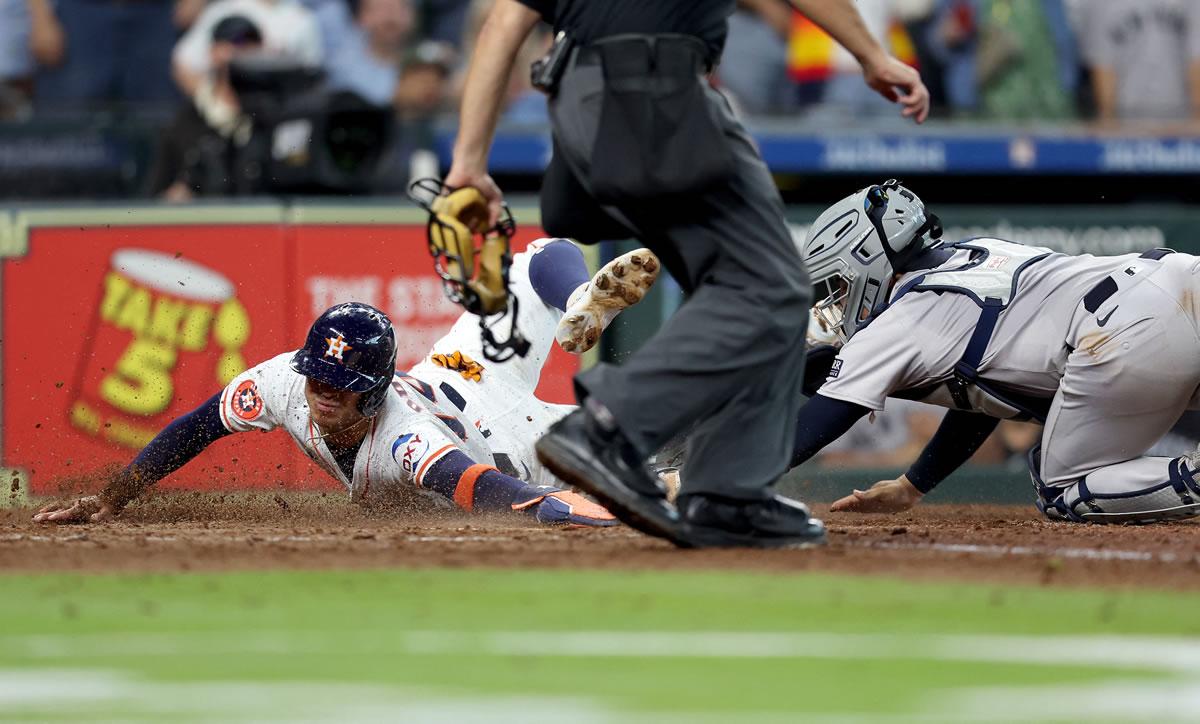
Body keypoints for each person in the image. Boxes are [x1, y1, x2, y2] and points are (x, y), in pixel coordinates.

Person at [442, 0, 929, 549]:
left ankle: (723, 494)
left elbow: (503, 24)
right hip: (659, 91)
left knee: (747, 290)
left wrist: (469, 161)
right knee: (772, 288)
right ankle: (613, 429)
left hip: (578, 106)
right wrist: (871, 55)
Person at [33, 240, 660, 527]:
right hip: (451, 374)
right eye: (318, 377)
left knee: (543, 255)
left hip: (504, 439)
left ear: (375, 389)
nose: (322, 392)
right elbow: (197, 425)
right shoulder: (286, 379)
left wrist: (549, 506)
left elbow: (473, 483)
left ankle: (579, 303)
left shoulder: (402, 438)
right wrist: (115, 496)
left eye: (341, 384)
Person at [790, 180, 1200, 524]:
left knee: (1061, 491)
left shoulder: (901, 317)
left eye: (839, 285)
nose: (838, 299)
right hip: (1176, 276)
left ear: (867, 258)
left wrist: (747, 474)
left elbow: (815, 425)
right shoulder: (977, 252)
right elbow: (982, 397)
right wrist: (913, 485)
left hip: (1127, 328)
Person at [144, 14, 264, 201]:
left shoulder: (271, 116)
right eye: (237, 42)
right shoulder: (185, 122)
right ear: (214, 52)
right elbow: (155, 196)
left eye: (253, 43)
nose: (246, 51)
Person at [172, 0, 323, 100]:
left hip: (277, 112)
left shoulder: (302, 19)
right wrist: (211, 104)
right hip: (230, 114)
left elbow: (312, 75)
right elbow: (184, 64)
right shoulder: (226, 9)